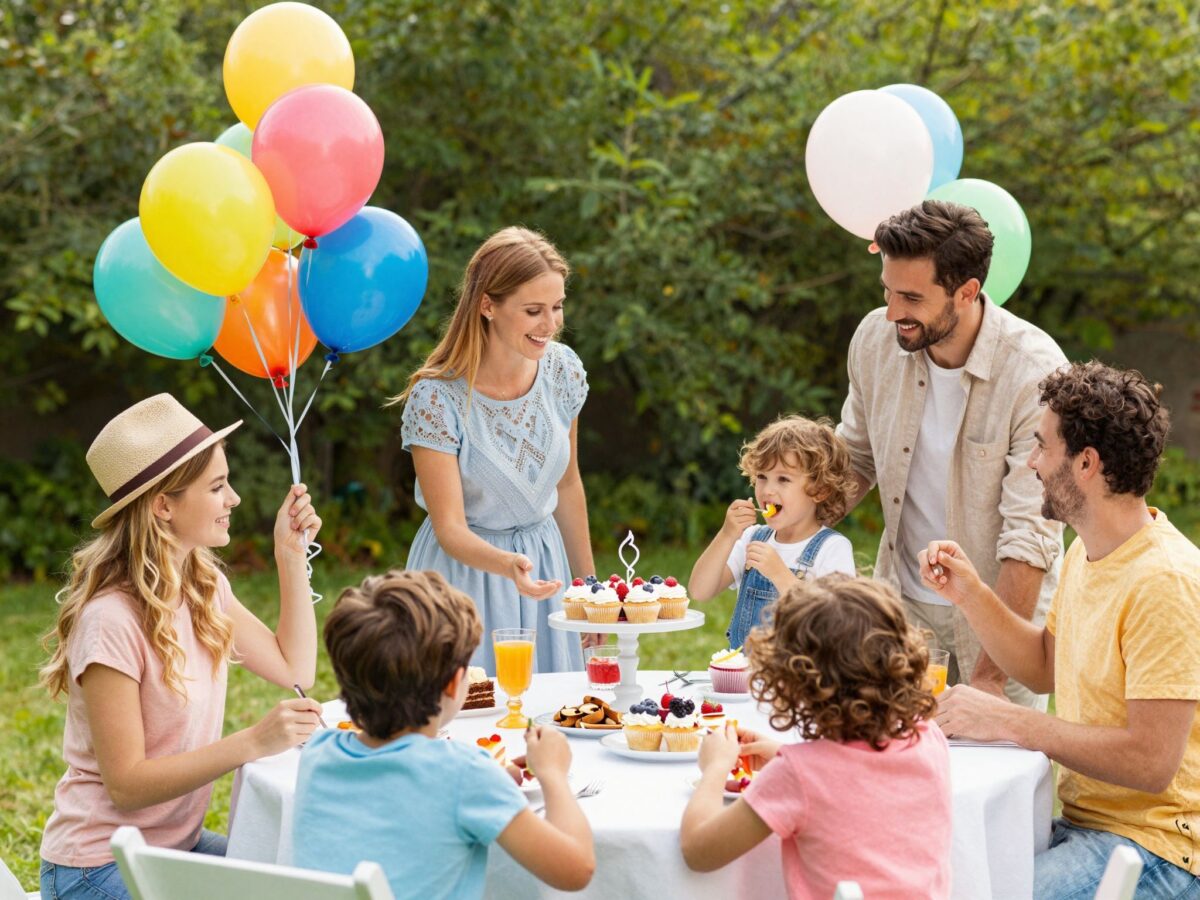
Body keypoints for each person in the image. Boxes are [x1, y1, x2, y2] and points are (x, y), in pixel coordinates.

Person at [922, 361, 1200, 897]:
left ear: (1086, 463)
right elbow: (1045, 666)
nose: (1032, 462)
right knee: (940, 868)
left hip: (1157, 850)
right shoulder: (1087, 552)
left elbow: (1151, 762)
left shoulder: (1165, 581)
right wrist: (970, 593)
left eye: (1041, 446)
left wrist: (1009, 720)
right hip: (1085, 826)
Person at [38, 393, 324, 900]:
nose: (234, 499)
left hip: (172, 848)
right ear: (163, 505)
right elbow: (127, 785)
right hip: (97, 868)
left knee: (304, 883)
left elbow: (293, 668)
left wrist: (289, 553)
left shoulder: (202, 588)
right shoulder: (110, 620)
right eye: (217, 486)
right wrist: (253, 742)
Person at [837, 199, 1067, 706]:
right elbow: (853, 458)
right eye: (887, 290)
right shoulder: (875, 340)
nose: (892, 312)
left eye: (911, 297)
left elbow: (1029, 537)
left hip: (1005, 620)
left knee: (991, 754)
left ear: (967, 292)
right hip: (902, 611)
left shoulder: (1035, 373)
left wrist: (989, 678)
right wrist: (789, 526)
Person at [293, 569, 595, 898]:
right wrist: (553, 774)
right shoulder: (466, 775)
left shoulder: (318, 753)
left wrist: (491, 783)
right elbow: (576, 869)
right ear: (454, 684)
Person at [391, 227, 596, 674]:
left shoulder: (562, 371)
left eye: (557, 306)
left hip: (545, 567)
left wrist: (588, 589)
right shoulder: (436, 398)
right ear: (488, 305)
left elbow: (568, 484)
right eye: (533, 311)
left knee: (555, 707)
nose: (551, 324)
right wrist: (509, 566)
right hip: (463, 579)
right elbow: (449, 528)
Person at [680, 575, 951, 897]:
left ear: (796, 683)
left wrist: (716, 767)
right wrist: (782, 753)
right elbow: (859, 778)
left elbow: (699, 850)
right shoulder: (927, 735)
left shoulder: (796, 777)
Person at [689, 415, 856, 648]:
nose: (768, 490)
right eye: (762, 477)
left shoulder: (832, 548)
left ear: (820, 490)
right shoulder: (752, 538)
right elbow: (700, 591)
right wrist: (727, 535)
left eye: (783, 479)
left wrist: (780, 574)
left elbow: (837, 623)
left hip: (800, 669)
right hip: (744, 669)